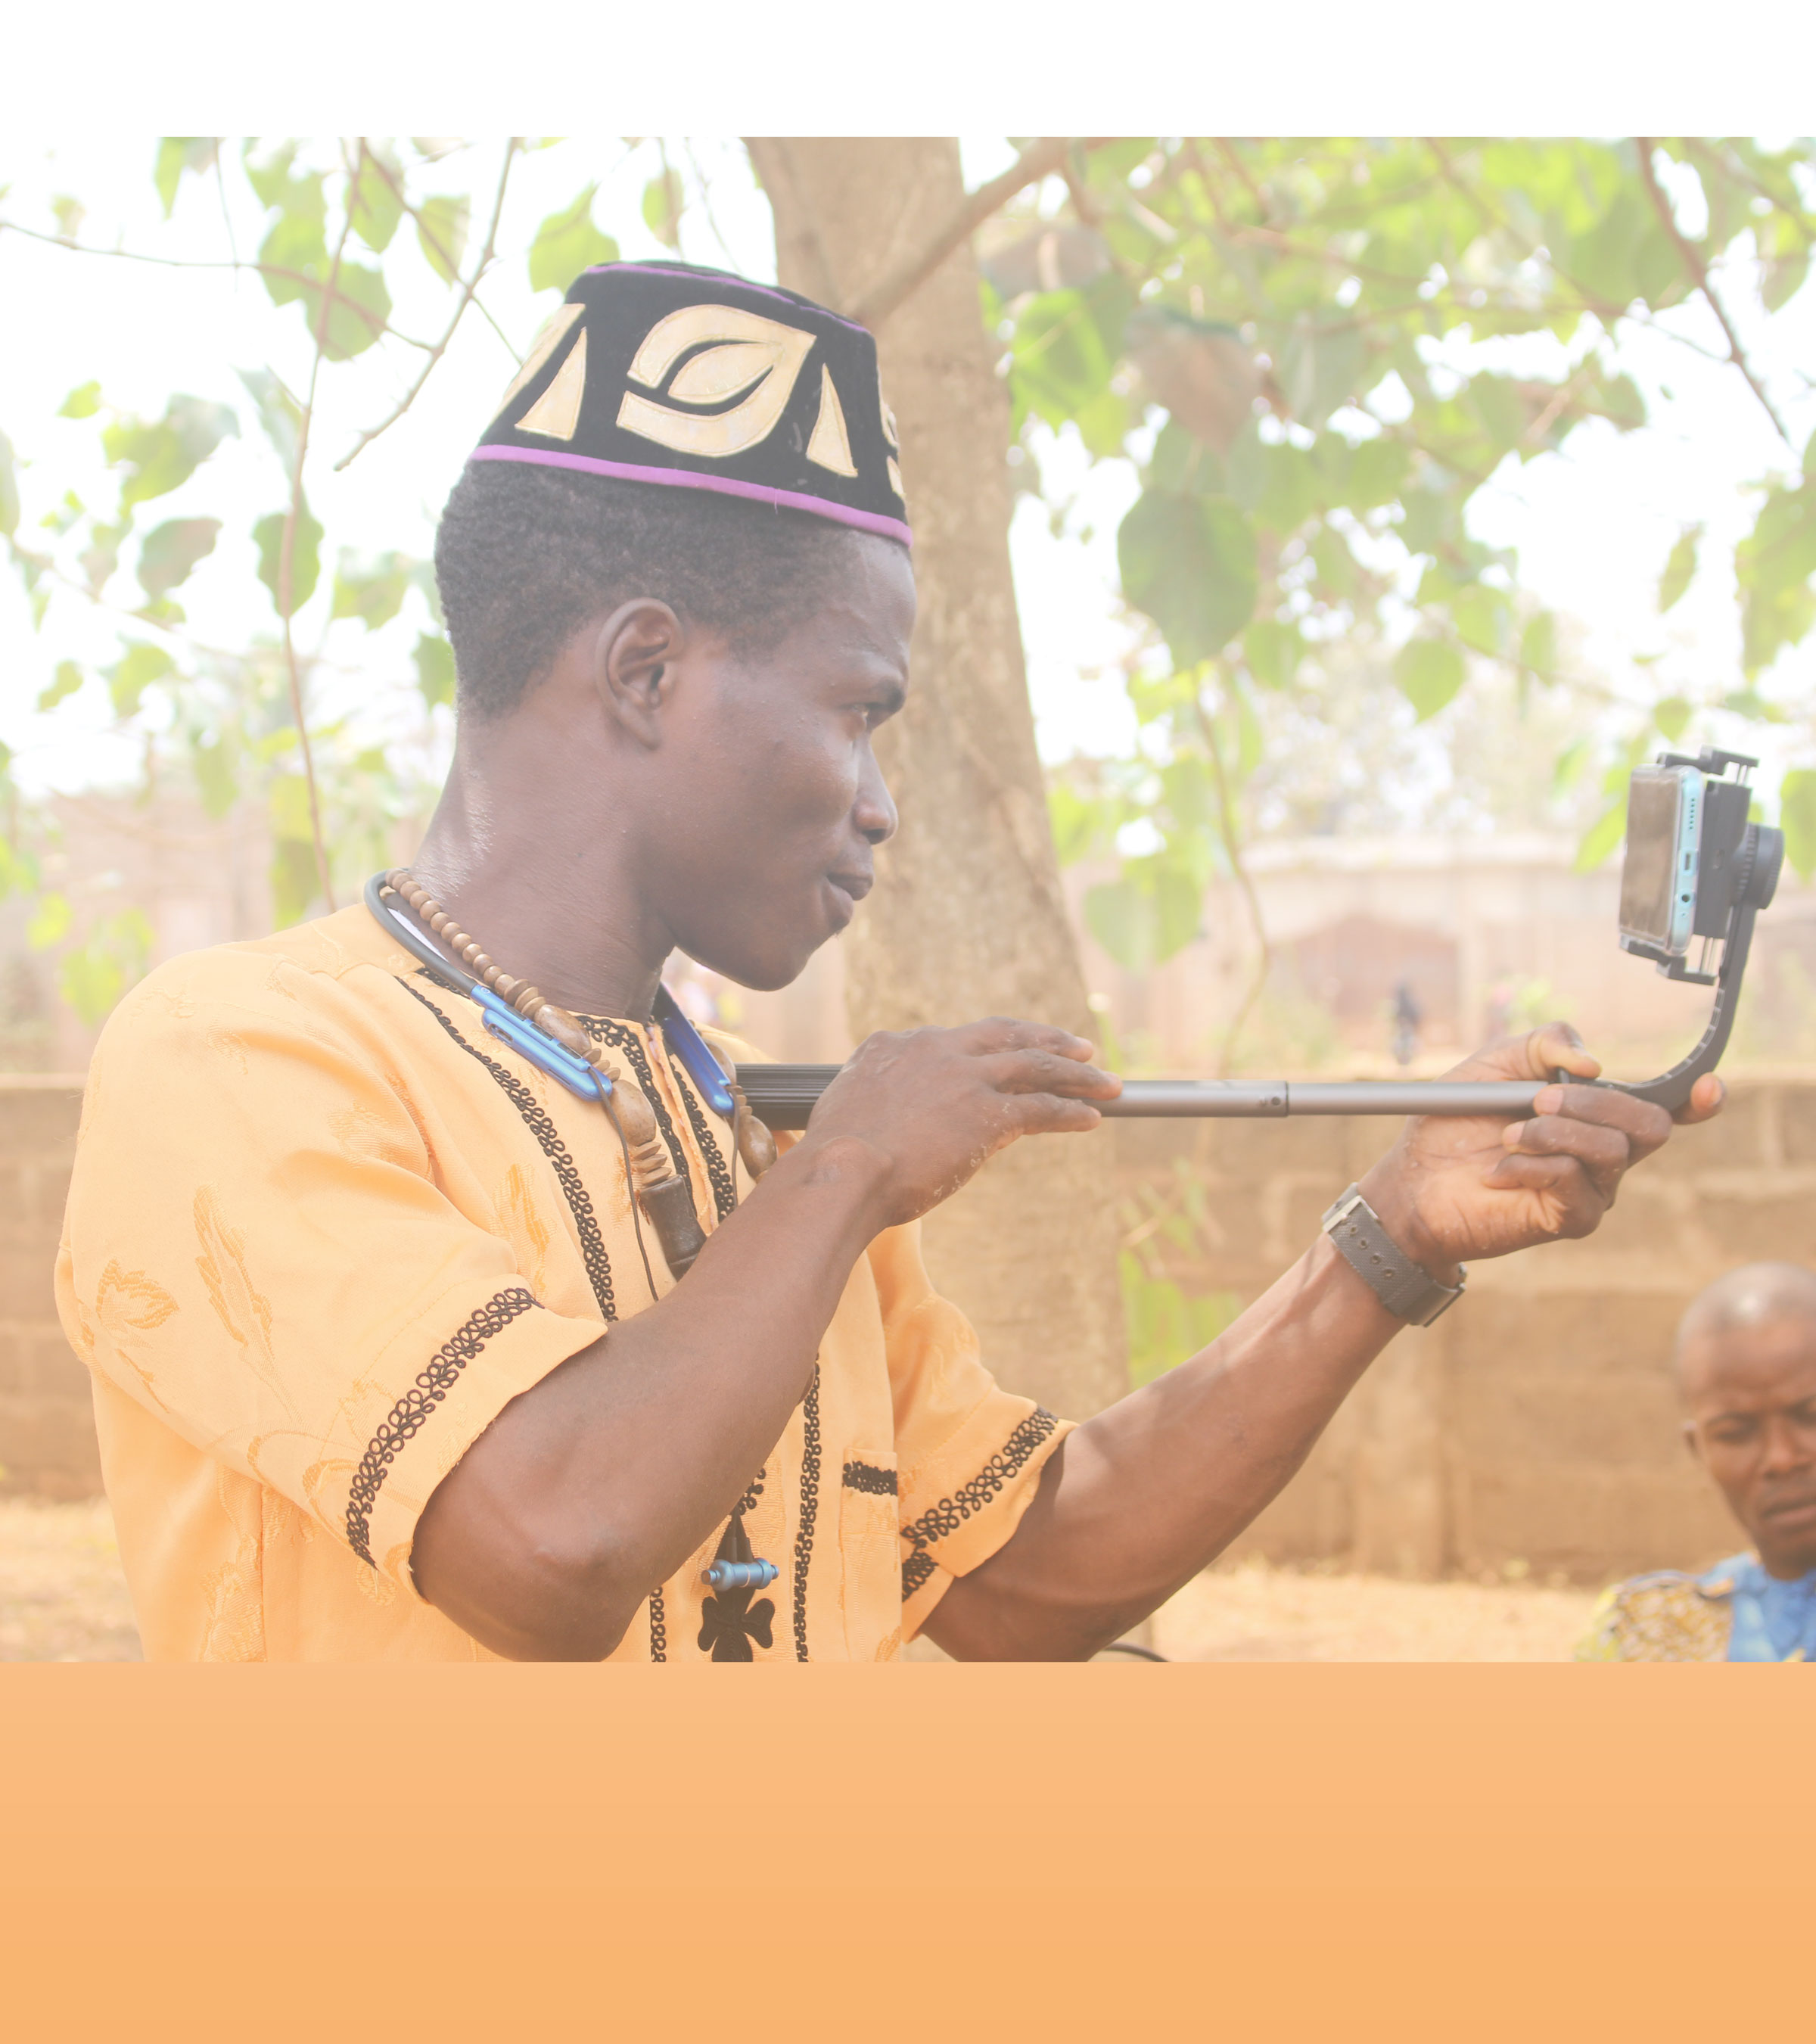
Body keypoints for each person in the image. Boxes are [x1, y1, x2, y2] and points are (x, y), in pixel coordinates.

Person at [57, 258, 1721, 1663]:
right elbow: (550, 1539)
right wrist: (848, 1171)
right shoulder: (237, 1057)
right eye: (858, 710)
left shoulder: (741, 1137)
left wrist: (1388, 1240)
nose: (878, 801)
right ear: (646, 672)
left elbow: (1025, 1567)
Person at [1577, 1262, 1816, 1661]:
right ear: (1698, 1448)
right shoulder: (1647, 1636)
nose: (1782, 1458)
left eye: (1811, 1416)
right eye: (1735, 1433)